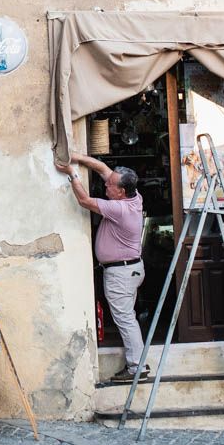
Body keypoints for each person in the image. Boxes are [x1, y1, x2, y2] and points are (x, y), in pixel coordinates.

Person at [56, 152, 149, 382]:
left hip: (121, 273)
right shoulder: (133, 197)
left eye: (110, 185)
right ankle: (137, 364)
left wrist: (72, 173)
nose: (106, 184)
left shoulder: (120, 209)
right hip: (128, 269)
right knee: (127, 317)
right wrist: (74, 156)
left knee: (125, 319)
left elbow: (84, 201)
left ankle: (137, 367)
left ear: (121, 192)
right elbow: (101, 168)